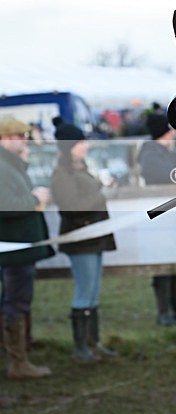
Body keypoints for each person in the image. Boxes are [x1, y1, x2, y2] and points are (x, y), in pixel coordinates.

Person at [50, 117, 117, 363]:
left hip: (92, 237)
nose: (85, 145)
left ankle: (92, 343)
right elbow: (71, 207)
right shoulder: (61, 174)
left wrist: (100, 187)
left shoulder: (79, 169)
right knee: (84, 292)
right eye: (80, 142)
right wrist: (102, 193)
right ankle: (81, 348)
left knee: (92, 292)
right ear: (69, 147)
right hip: (81, 240)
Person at [0, 117, 54, 379]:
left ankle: (16, 358)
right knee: (16, 302)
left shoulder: (9, 165)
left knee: (14, 301)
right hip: (14, 248)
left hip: (15, 247)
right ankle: (17, 363)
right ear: (4, 138)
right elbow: (7, 205)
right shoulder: (3, 167)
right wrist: (34, 198)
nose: (24, 140)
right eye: (19, 136)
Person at [138, 112, 176, 326]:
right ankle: (164, 312)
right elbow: (161, 175)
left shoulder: (167, 152)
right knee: (163, 265)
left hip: (172, 212)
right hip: (160, 214)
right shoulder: (150, 154)